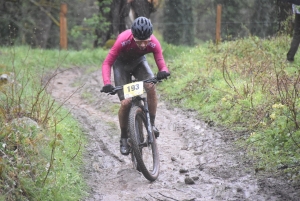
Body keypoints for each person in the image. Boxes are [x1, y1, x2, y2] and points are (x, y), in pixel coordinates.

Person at [100, 16, 170, 155]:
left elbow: (160, 60)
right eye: (140, 42)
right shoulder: (123, 40)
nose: (144, 45)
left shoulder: (154, 42)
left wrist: (163, 71)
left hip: (139, 63)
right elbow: (107, 63)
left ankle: (152, 124)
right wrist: (107, 83)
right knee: (126, 103)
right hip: (121, 66)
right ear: (133, 36)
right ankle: (124, 138)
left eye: (146, 41)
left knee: (150, 86)